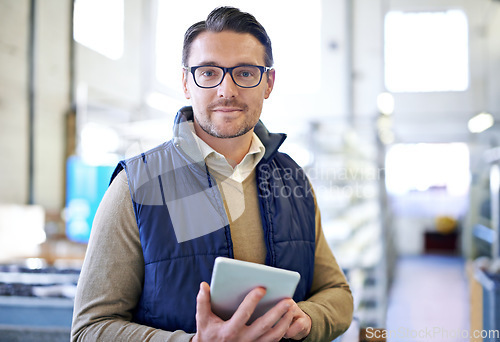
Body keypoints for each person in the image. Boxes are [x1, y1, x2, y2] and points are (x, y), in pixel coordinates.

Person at [71, 6, 353, 342]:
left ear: (268, 83)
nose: (227, 91)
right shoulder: (138, 185)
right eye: (208, 73)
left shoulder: (293, 179)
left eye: (245, 73)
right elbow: (91, 329)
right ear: (186, 82)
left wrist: (307, 318)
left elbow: (337, 293)